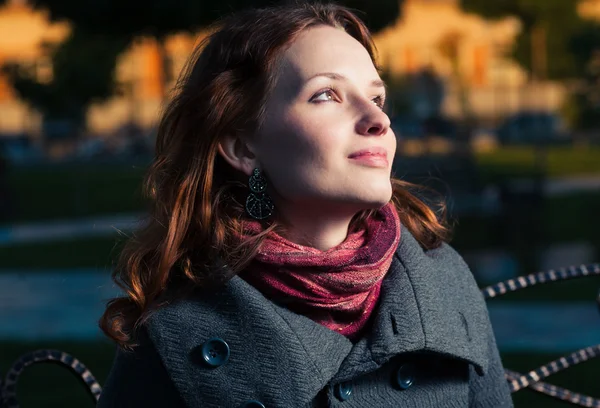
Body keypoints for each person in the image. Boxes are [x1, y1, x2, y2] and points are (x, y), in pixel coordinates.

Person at [97, 2, 514, 407]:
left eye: (378, 99)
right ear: (243, 147)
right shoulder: (177, 324)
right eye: (327, 95)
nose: (377, 119)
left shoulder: (445, 279)